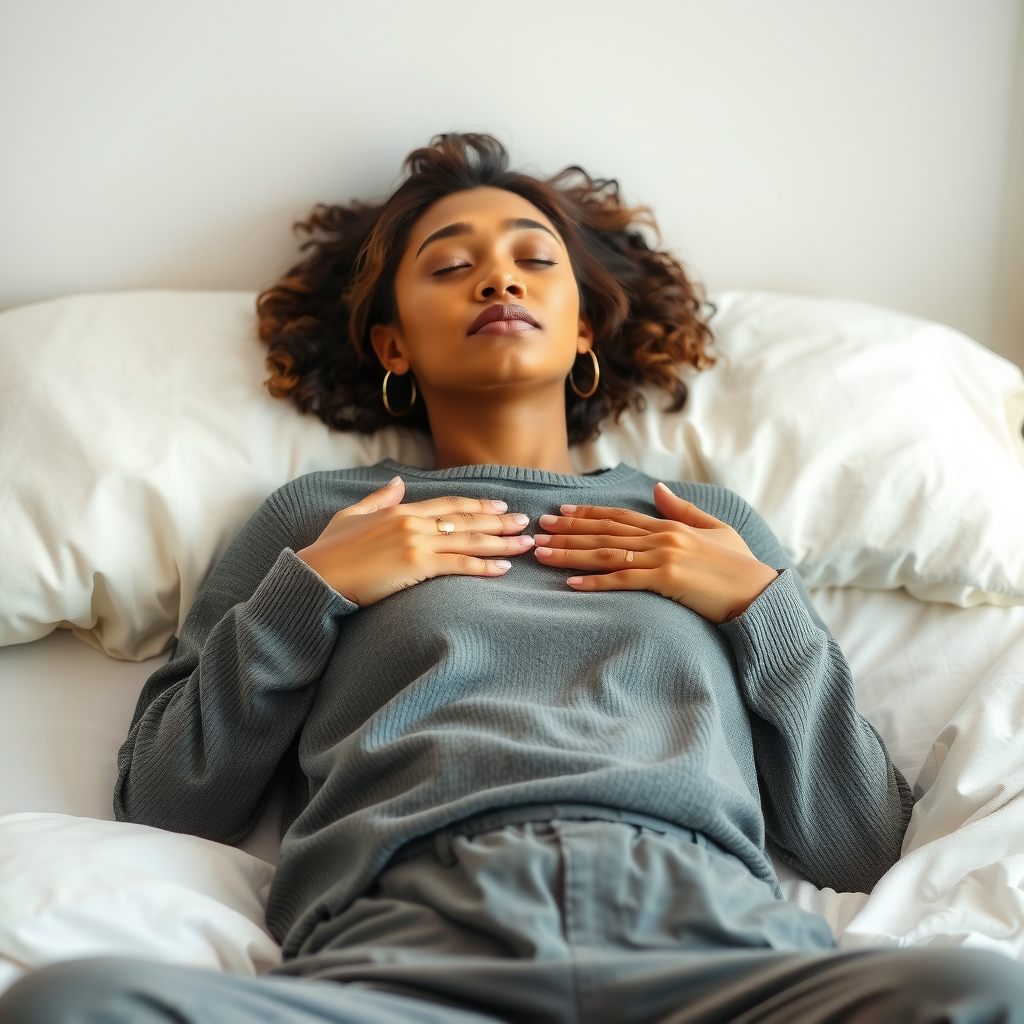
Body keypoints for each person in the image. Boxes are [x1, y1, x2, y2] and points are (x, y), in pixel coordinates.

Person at [2, 133, 1022, 1024]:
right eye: (451, 265)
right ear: (392, 342)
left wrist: (761, 610)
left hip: (715, 950)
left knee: (981, 998)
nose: (498, 280)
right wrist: (310, 593)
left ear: (582, 327)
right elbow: (169, 800)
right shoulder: (315, 519)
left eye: (534, 259)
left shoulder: (708, 525)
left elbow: (860, 846)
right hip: (399, 955)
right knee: (69, 1005)